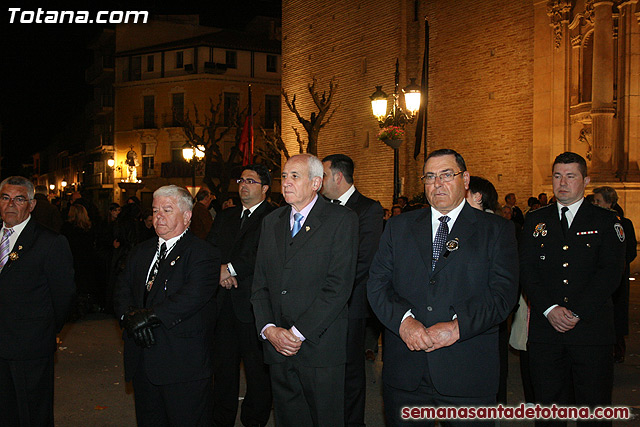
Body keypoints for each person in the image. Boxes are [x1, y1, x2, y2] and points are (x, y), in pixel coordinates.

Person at [367, 149, 518, 426]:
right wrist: (404, 323)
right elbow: (377, 284)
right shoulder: (398, 227)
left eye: (447, 175)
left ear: (466, 179)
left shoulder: (495, 230)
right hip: (406, 372)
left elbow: (502, 295)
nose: (438, 183)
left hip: (467, 372)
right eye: (430, 177)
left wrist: (456, 328)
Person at [251, 154, 358, 426]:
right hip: (278, 347)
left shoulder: (341, 220)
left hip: (319, 348)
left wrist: (296, 334)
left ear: (316, 183)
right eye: (284, 177)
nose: (286, 183)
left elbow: (338, 287)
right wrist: (269, 329)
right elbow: (260, 282)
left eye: (294, 176)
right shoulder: (271, 221)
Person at [520, 152, 625, 427]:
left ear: (585, 181)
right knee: (548, 411)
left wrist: (577, 311)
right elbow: (527, 269)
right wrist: (550, 309)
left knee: (593, 411)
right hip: (547, 331)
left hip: (591, 332)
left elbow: (611, 273)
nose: (562, 183)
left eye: (570, 176)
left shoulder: (605, 221)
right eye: (557, 176)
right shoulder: (535, 221)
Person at [115, 185, 220, 426]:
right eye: (154, 210)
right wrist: (129, 318)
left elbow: (191, 297)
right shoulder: (140, 251)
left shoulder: (203, 253)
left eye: (166, 209)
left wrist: (149, 317)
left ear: (187, 216)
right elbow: (122, 288)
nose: (158, 216)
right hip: (143, 361)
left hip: (182, 365)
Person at [0, 176, 75, 426]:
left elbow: (63, 295)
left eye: (19, 199)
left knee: (32, 415)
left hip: (29, 348)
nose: (11, 204)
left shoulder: (50, 242)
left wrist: (43, 331)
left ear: (31, 205)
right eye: (5, 197)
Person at [207, 164, 275, 427]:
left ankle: (253, 420)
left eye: (250, 180)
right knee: (223, 368)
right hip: (224, 304)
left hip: (254, 306)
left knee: (258, 371)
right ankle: (221, 418)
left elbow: (261, 254)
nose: (243, 184)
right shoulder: (226, 216)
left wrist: (230, 269)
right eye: (241, 179)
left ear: (265, 188)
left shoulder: (274, 216)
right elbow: (211, 248)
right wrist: (219, 270)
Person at [321, 154, 384, 427]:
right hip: (320, 303)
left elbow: (363, 261)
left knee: (350, 372)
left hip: (350, 304)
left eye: (322, 176)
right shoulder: (320, 207)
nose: (318, 182)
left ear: (337, 176)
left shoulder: (368, 209)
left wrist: (329, 292)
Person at [592, 186, 637, 363]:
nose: (595, 205)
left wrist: (614, 265)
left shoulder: (622, 224)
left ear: (610, 203)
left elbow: (630, 250)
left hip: (616, 280)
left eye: (598, 201)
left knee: (616, 316)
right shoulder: (590, 223)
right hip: (594, 280)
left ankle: (616, 350)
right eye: (594, 201)